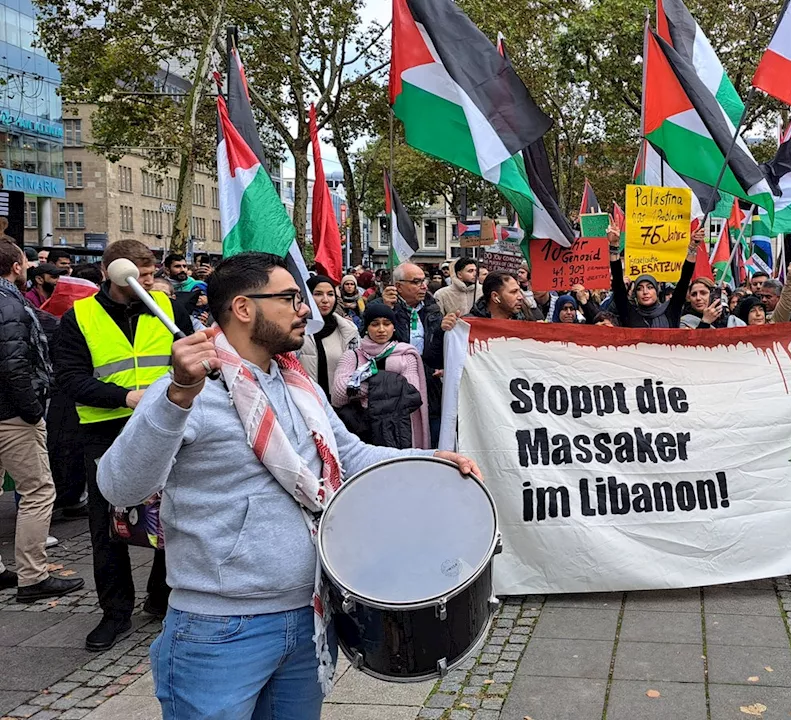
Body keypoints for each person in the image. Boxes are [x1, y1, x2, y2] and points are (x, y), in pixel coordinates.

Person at [94, 252, 480, 718]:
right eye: (291, 299)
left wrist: (428, 459)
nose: (306, 310)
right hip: (219, 630)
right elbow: (119, 486)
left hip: (309, 616)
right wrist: (176, 397)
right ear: (243, 308)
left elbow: (349, 456)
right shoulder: (182, 392)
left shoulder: (299, 385)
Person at [54, 238, 189, 651]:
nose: (150, 285)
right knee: (105, 527)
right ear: (111, 274)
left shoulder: (167, 308)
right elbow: (70, 379)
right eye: (140, 278)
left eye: (152, 276)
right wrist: (125, 397)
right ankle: (115, 612)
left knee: (173, 515)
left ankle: (162, 597)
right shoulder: (80, 317)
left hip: (163, 427)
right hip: (105, 431)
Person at [0, 241, 85, 600]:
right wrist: (31, 409)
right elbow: (13, 361)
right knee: (37, 490)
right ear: (17, 267)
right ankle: (33, 576)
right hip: (11, 413)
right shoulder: (9, 303)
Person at [371, 263, 450, 446]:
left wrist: (443, 332)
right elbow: (370, 342)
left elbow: (436, 350)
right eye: (416, 282)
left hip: (430, 388)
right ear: (398, 286)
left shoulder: (433, 308)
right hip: (394, 389)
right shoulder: (382, 306)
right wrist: (387, 309)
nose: (423, 286)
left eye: (424, 280)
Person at [333, 303, 431, 449]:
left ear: (394, 327)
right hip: (362, 430)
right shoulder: (352, 356)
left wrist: (362, 386)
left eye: (387, 324)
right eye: (375, 324)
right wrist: (391, 384)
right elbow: (338, 394)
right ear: (366, 327)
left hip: (399, 430)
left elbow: (411, 392)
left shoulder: (406, 355)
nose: (381, 329)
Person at [606, 223, 704, 328]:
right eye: (639, 288)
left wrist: (693, 247)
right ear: (636, 294)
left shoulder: (671, 310)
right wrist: (614, 245)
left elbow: (684, 280)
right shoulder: (629, 314)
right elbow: (617, 283)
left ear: (657, 290)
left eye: (649, 287)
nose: (645, 292)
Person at [298, 276, 359, 399]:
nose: (325, 300)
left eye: (330, 294)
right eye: (318, 294)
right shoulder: (294, 329)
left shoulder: (348, 331)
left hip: (339, 406)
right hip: (305, 403)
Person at [466, 271, 534, 320]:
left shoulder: (526, 320)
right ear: (495, 297)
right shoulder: (468, 325)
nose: (520, 297)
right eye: (513, 292)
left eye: (519, 291)